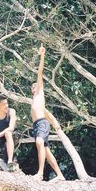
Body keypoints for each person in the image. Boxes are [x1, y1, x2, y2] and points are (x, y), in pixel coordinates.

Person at [31, 44, 65, 181]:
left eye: (36, 85)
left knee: (39, 142)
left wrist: (42, 56)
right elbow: (47, 113)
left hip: (41, 124)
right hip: (37, 126)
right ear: (31, 90)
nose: (35, 86)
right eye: (32, 86)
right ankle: (60, 175)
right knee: (46, 151)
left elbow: (40, 72)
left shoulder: (40, 93)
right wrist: (55, 123)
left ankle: (40, 173)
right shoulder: (35, 101)